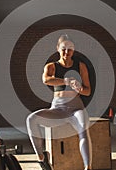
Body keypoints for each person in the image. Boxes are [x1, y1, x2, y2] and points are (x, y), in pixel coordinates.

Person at [26, 34, 92, 170]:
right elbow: (46, 80)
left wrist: (79, 88)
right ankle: (42, 158)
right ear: (57, 49)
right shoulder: (51, 66)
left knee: (83, 129)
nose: (67, 52)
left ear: (74, 50)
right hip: (58, 109)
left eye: (70, 49)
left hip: (76, 109)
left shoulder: (80, 66)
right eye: (63, 48)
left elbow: (87, 91)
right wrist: (66, 81)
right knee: (31, 119)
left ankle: (88, 167)